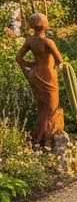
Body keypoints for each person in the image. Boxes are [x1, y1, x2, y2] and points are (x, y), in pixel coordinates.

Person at [15, 12, 64, 147]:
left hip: (36, 75)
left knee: (42, 109)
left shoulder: (30, 41)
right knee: (51, 109)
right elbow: (60, 61)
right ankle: (43, 140)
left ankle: (41, 140)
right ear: (44, 25)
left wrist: (32, 66)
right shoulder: (48, 42)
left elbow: (18, 58)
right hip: (48, 76)